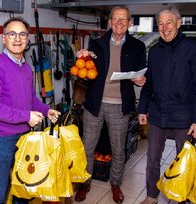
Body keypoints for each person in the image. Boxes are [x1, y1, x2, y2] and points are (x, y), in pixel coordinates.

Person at [0, 17, 60, 204]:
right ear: (3, 38)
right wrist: (26, 116)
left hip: (24, 137)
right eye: (12, 34)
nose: (17, 38)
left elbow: (30, 99)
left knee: (23, 187)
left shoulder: (26, 68)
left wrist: (47, 110)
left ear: (28, 38)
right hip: (1, 139)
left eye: (22, 34)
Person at [74, 6, 147, 204]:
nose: (119, 23)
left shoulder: (138, 47)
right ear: (109, 22)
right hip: (94, 104)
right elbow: (87, 74)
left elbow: (142, 73)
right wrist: (82, 58)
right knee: (87, 147)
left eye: (124, 20)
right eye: (116, 19)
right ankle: (85, 183)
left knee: (118, 149)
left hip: (120, 106)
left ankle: (115, 183)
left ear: (130, 23)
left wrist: (139, 80)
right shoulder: (96, 43)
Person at [138, 6, 196, 204]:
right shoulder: (155, 51)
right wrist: (143, 108)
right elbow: (149, 83)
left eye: (169, 22)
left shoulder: (194, 49)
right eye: (160, 23)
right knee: (152, 159)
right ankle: (152, 195)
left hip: (184, 115)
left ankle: (182, 197)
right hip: (158, 114)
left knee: (183, 160)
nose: (165, 27)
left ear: (178, 23)